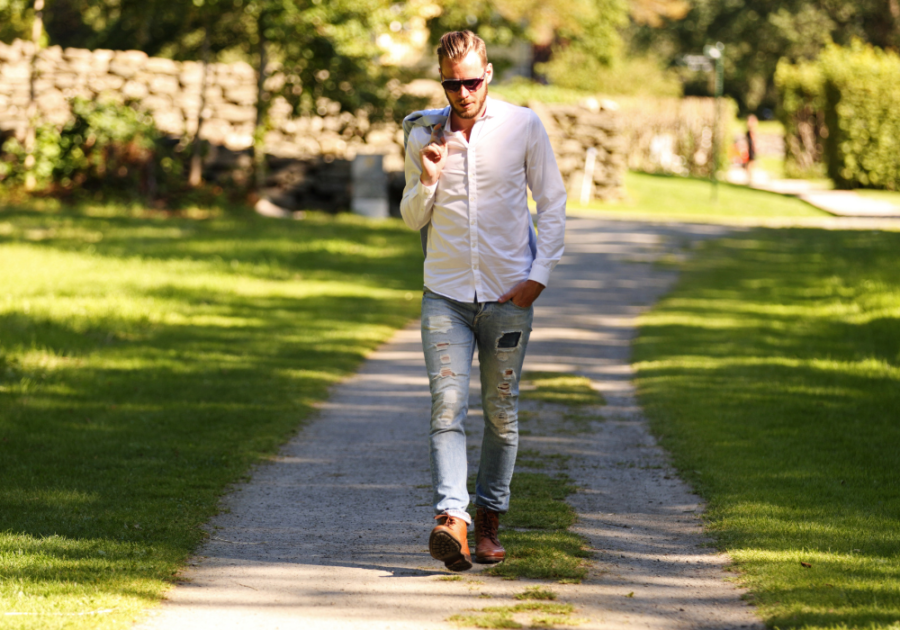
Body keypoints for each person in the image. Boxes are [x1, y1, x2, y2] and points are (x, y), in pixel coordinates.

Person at [400, 30, 566, 572]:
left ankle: (491, 518)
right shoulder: (424, 133)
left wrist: (538, 276)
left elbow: (553, 200)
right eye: (453, 83)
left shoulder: (523, 125)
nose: (464, 92)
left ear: (488, 73)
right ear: (442, 82)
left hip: (507, 297)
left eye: (472, 80)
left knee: (501, 414)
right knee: (447, 409)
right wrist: (427, 179)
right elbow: (410, 217)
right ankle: (453, 520)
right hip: (444, 295)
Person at [744, 114, 758, 185]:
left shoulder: (750, 132)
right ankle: (749, 177)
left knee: (751, 163)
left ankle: (750, 177)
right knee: (750, 163)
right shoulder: (749, 132)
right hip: (750, 149)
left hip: (751, 149)